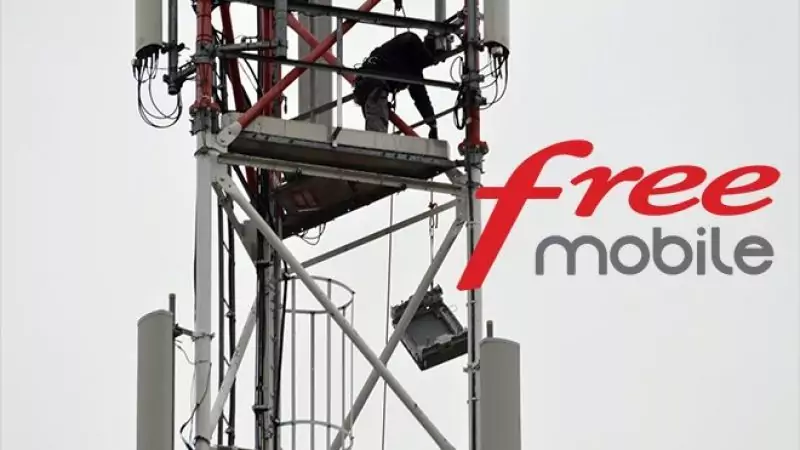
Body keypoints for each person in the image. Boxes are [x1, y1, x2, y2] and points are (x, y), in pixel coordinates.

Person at [353, 31, 443, 139]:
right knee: (377, 136)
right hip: (375, 86)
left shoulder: (410, 63)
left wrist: (432, 124)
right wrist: (432, 125)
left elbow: (421, 98)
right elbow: (421, 98)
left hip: (366, 84)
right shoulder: (412, 55)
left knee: (375, 127)